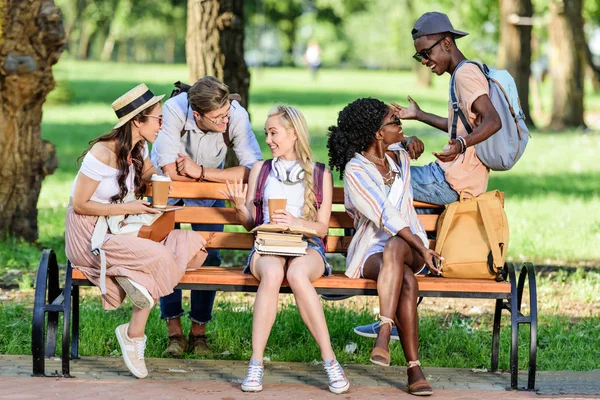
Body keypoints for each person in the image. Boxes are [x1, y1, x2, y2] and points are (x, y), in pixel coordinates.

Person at [353, 11, 502, 340]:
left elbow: (492, 121)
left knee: (370, 179)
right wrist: (419, 115)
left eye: (427, 52)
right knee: (397, 205)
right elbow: (464, 124)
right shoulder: (461, 75)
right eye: (418, 55)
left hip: (451, 180)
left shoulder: (465, 76)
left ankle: (380, 301)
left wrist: (462, 143)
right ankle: (394, 311)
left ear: (446, 43)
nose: (424, 60)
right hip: (452, 175)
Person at [65, 84, 208, 379]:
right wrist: (135, 209)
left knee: (194, 247)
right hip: (92, 234)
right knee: (161, 257)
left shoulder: (137, 149)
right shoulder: (102, 152)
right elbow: (80, 205)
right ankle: (134, 334)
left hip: (121, 228)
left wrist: (172, 172)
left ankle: (136, 277)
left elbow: (153, 176)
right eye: (158, 119)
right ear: (137, 121)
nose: (163, 124)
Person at [221, 105, 350, 394]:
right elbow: (251, 224)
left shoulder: (319, 173)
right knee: (273, 272)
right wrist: (241, 208)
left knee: (297, 275)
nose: (267, 139)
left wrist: (295, 222)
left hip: (306, 246)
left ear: (293, 134)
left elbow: (321, 228)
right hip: (268, 246)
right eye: (266, 133)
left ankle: (330, 361)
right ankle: (255, 364)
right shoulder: (261, 169)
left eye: (273, 132)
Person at [328, 98, 443, 396]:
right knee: (405, 279)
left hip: (411, 248)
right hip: (371, 251)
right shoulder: (355, 171)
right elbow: (385, 214)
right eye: (395, 121)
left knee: (395, 245)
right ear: (378, 133)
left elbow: (406, 146)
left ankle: (383, 331)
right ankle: (414, 368)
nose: (400, 124)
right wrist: (425, 246)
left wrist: (411, 140)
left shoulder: (399, 156)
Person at [151, 76, 262, 358]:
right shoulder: (174, 110)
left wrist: (201, 173)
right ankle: (174, 330)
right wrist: (210, 176)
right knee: (166, 252)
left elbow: (254, 171)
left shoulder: (235, 114)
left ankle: (199, 331)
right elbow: (169, 172)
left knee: (210, 255)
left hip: (208, 185)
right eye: (218, 118)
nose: (225, 121)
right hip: (168, 189)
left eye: (226, 114)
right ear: (197, 115)